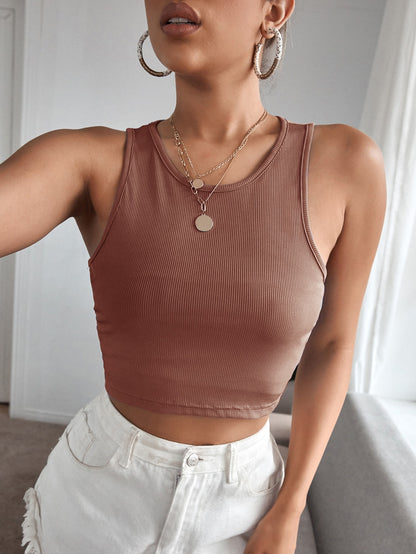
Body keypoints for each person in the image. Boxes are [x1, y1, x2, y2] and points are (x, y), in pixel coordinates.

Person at [0, 1, 386, 553]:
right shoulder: (93, 161)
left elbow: (332, 344)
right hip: (96, 501)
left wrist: (292, 503)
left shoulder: (346, 165)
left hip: (243, 508)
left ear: (275, 9)